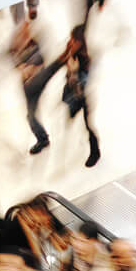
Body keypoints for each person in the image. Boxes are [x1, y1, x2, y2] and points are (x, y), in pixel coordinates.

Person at [11, 18, 65, 156]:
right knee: (30, 116)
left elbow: (37, 66)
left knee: (30, 116)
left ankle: (43, 139)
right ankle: (42, 139)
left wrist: (28, 69)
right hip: (27, 88)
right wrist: (23, 69)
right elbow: (18, 66)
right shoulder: (17, 50)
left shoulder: (36, 49)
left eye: (25, 31)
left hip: (35, 86)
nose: (22, 35)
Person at [59, 25, 100, 167]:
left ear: (81, 42)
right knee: (71, 118)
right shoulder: (73, 53)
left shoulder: (86, 61)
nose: (71, 42)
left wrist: (74, 71)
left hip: (84, 97)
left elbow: (83, 86)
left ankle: (95, 152)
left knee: (89, 125)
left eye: (74, 40)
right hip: (73, 93)